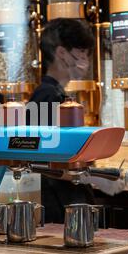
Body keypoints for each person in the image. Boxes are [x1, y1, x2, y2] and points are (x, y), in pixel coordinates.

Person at [28, 18, 96, 224]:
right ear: (62, 53)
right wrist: (93, 177)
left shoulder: (55, 94)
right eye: (81, 52)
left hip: (63, 202)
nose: (85, 60)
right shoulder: (48, 97)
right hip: (57, 206)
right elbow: (44, 162)